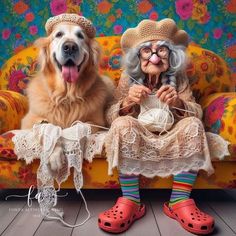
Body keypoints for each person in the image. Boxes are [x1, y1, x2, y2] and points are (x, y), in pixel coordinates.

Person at [98, 18, 228, 234]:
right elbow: (110, 115)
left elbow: (196, 111)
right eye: (147, 50)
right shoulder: (128, 78)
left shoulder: (179, 77)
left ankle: (179, 201)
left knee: (193, 124)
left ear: (171, 54)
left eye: (162, 50)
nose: (155, 56)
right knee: (122, 124)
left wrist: (178, 102)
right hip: (139, 132)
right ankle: (131, 201)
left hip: (171, 131)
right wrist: (127, 102)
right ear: (138, 56)